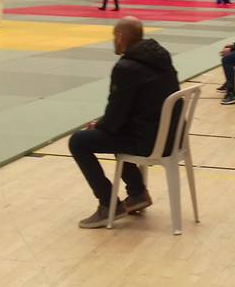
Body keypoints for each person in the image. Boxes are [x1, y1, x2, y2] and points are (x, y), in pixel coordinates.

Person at [69, 17, 180, 229]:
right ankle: (137, 193)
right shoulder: (160, 56)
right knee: (115, 131)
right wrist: (105, 125)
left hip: (150, 141)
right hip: (172, 136)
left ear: (120, 37)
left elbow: (115, 118)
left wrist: (98, 125)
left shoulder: (126, 67)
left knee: (78, 141)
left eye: (113, 36)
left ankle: (108, 204)